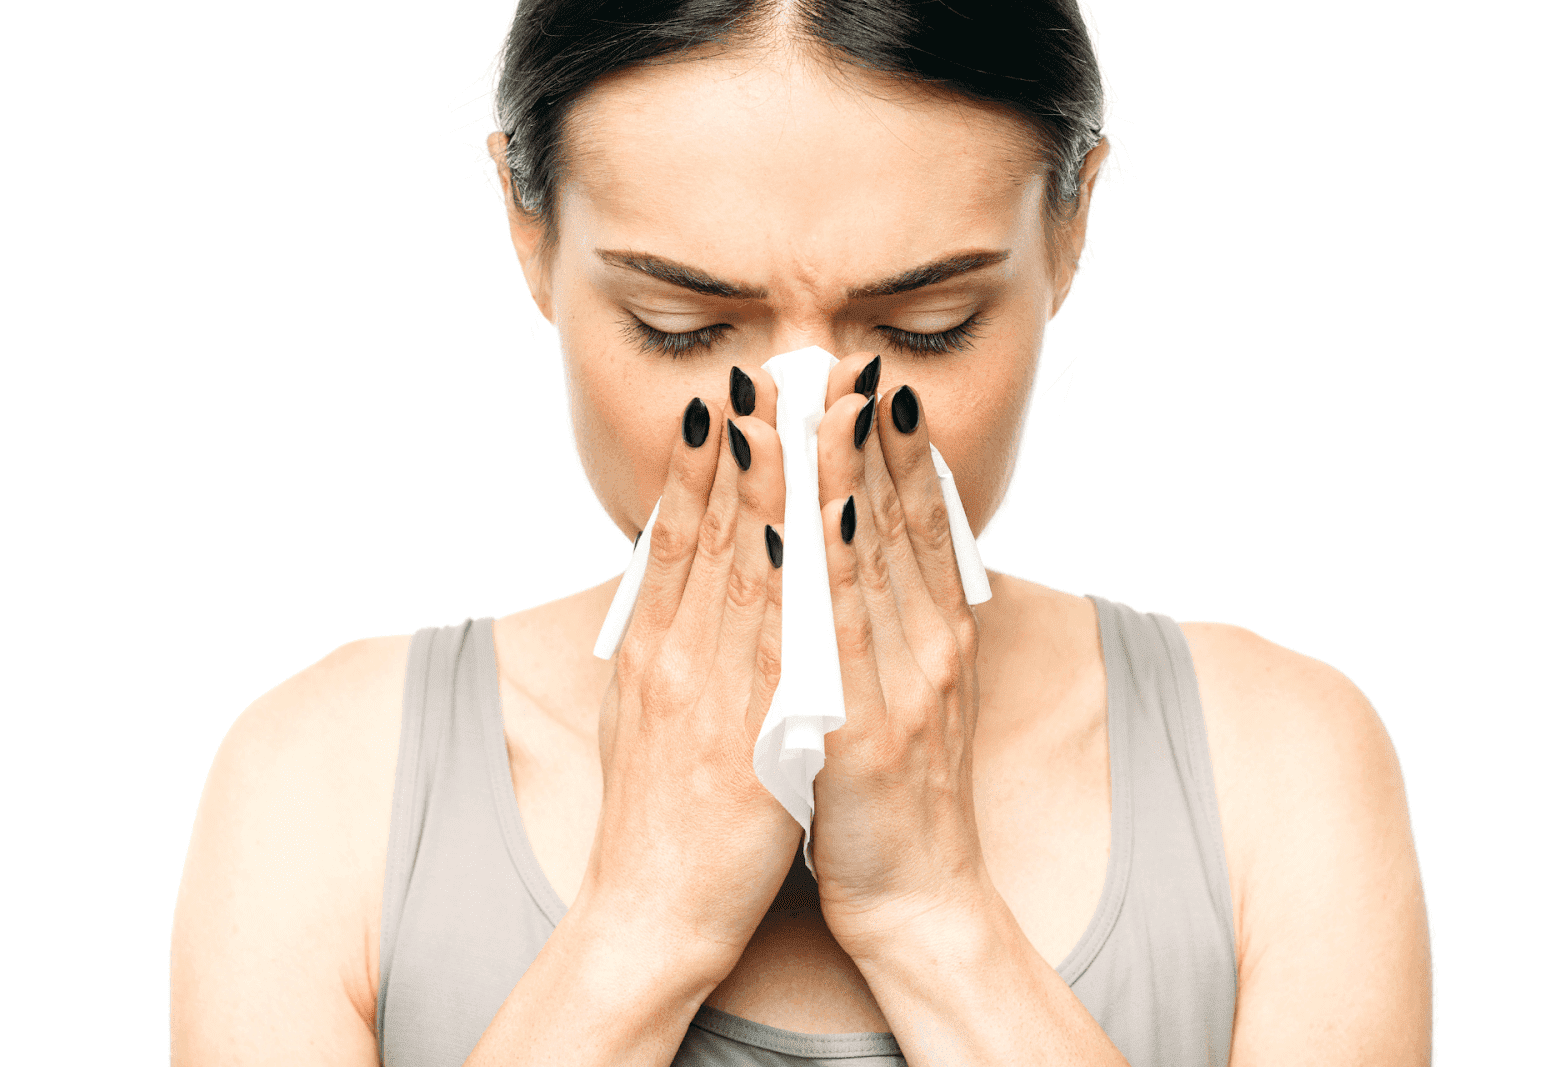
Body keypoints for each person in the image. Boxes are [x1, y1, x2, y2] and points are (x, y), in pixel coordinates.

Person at [170, 1, 1432, 1064]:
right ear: (528, 225)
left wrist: (935, 916)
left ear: (1069, 225)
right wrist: (641, 922)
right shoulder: (321, 787)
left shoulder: (1280, 770)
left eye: (927, 322)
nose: (803, 426)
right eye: (679, 324)